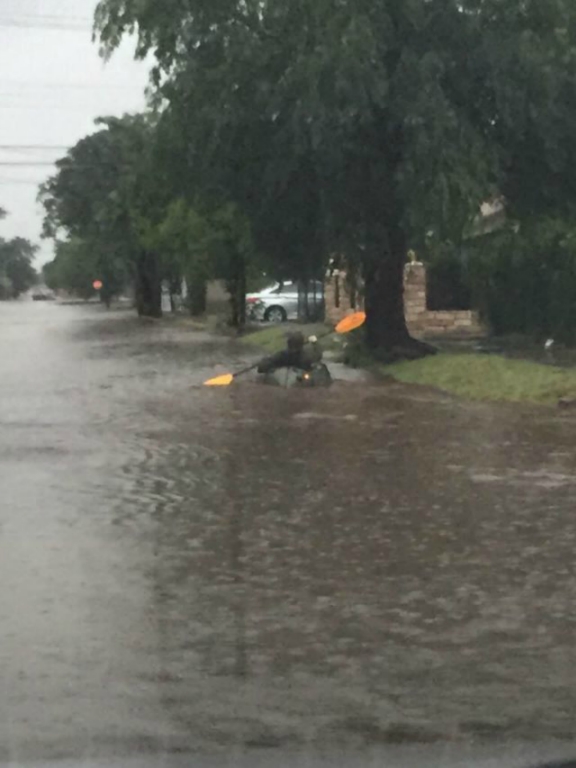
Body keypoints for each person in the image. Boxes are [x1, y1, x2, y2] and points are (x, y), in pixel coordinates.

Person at [257, 331, 322, 374]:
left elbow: (262, 367)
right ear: (301, 345)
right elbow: (318, 355)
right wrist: (315, 342)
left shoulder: (281, 355)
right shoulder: (306, 357)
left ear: (288, 344)